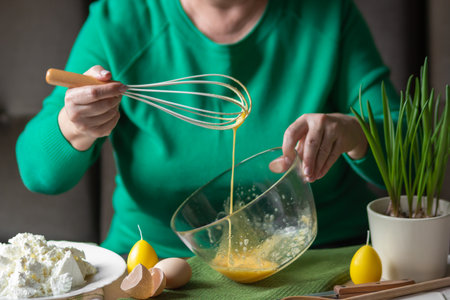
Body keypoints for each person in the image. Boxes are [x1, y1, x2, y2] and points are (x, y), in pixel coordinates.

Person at [16, 0, 399, 258]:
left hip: (321, 261)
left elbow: (408, 156)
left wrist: (356, 134)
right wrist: (73, 125)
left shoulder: (329, 14)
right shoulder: (120, 20)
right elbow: (39, 173)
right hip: (159, 266)